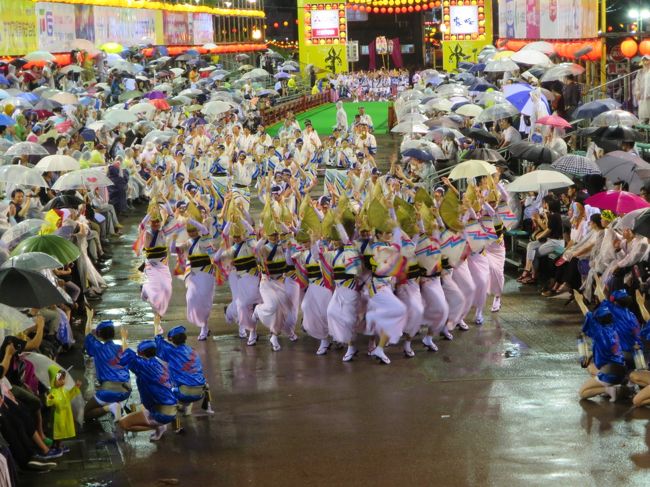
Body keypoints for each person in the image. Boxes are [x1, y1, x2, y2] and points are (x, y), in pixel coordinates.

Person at [118, 333, 178, 442]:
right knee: (143, 406)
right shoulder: (159, 364)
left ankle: (159, 425)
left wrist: (124, 339)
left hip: (162, 413)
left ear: (140, 353)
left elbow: (128, 356)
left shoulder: (144, 365)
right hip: (171, 408)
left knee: (123, 423)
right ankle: (159, 424)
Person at [155, 325, 212, 432]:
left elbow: (159, 345)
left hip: (182, 392)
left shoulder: (172, 352)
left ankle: (176, 423)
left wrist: (158, 331)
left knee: (165, 389)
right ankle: (193, 409)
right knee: (191, 380)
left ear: (172, 339)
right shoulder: (193, 351)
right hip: (200, 392)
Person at [83, 313, 131, 422]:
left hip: (109, 390)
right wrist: (124, 338)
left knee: (87, 413)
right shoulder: (121, 348)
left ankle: (111, 406)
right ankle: (117, 405)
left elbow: (87, 335)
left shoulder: (98, 348)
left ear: (99, 335)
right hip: (126, 390)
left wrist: (89, 317)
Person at [45, 366, 82, 452]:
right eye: (59, 379)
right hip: (57, 415)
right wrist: (51, 399)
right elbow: (49, 402)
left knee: (61, 430)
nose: (62, 382)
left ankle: (58, 444)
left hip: (64, 414)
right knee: (57, 431)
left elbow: (69, 396)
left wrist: (75, 388)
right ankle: (56, 446)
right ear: (53, 379)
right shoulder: (53, 391)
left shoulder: (63, 390)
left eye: (63, 379)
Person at [634, 55, 650, 123]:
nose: (645, 62)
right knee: (643, 110)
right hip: (642, 94)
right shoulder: (640, 72)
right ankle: (642, 122)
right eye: (644, 60)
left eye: (647, 60)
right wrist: (637, 92)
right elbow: (637, 83)